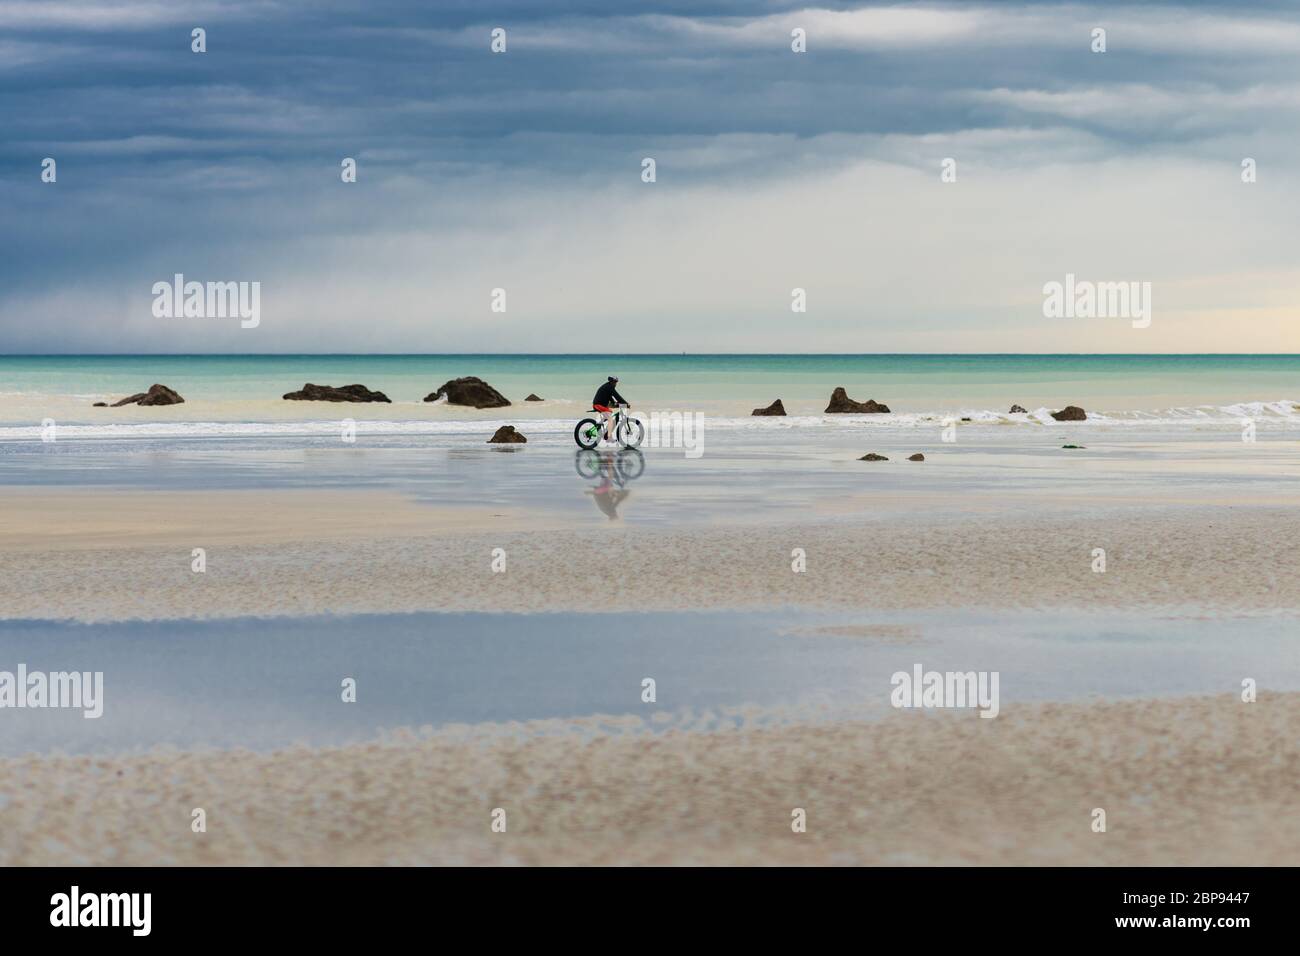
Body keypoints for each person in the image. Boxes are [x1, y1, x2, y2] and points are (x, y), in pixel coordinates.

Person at [591, 376, 629, 441]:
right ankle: (609, 437)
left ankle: (605, 432)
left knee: (611, 412)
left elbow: (610, 397)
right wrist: (626, 404)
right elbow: (617, 397)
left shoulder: (608, 386)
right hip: (598, 405)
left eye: (616, 382)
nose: (615, 384)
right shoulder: (610, 387)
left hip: (602, 404)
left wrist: (615, 403)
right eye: (614, 382)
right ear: (611, 382)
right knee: (610, 419)